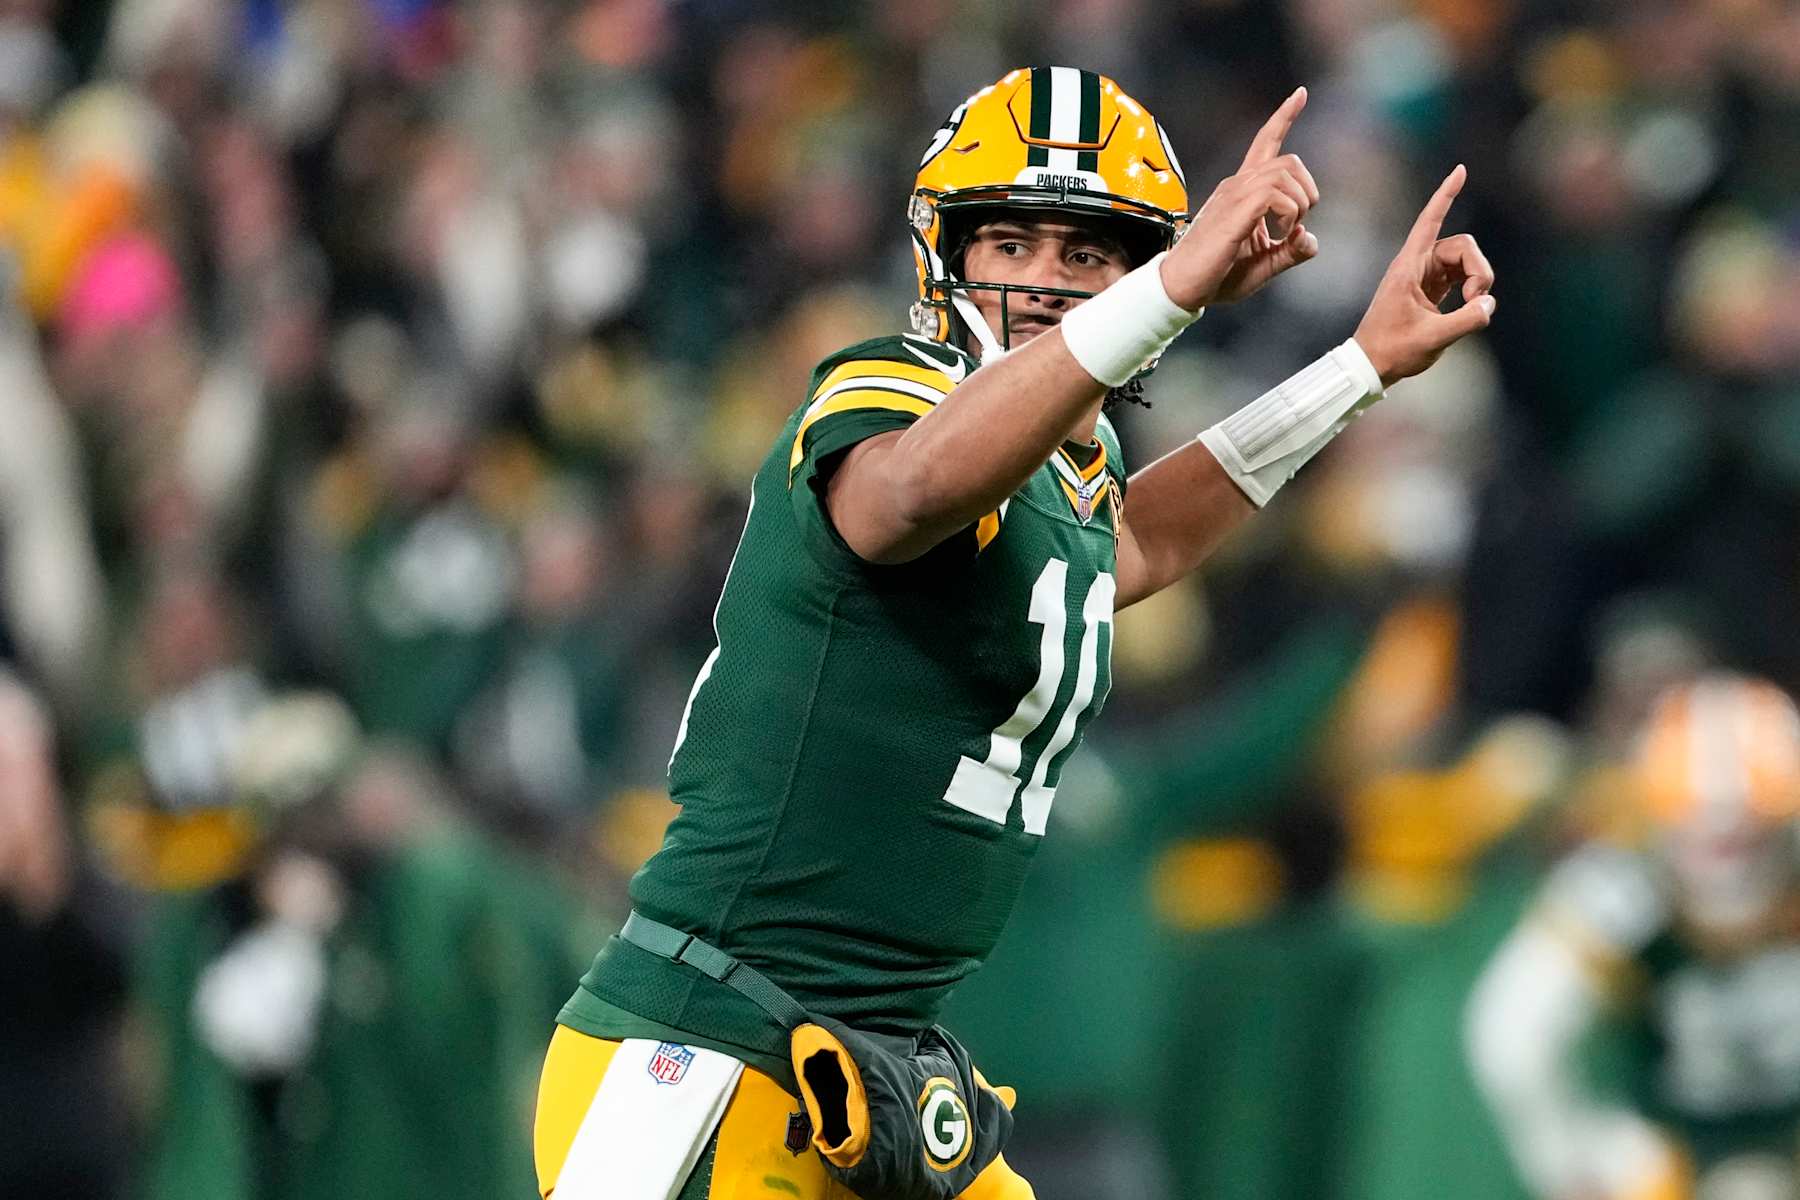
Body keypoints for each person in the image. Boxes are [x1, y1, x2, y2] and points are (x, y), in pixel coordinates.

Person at [534, 66, 1496, 1200]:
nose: (1046, 282)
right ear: (945, 257)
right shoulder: (888, 387)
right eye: (1013, 244)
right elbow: (913, 488)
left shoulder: (1070, 472)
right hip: (709, 1055)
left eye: (1088, 254)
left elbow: (1132, 546)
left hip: (872, 1065)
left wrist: (1357, 368)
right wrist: (1173, 288)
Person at [1468, 674, 1800, 1200]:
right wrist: (1585, 1160)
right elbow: (1511, 1035)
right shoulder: (1619, 888)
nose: (1727, 860)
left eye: (1750, 834)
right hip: (1674, 1149)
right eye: (1705, 837)